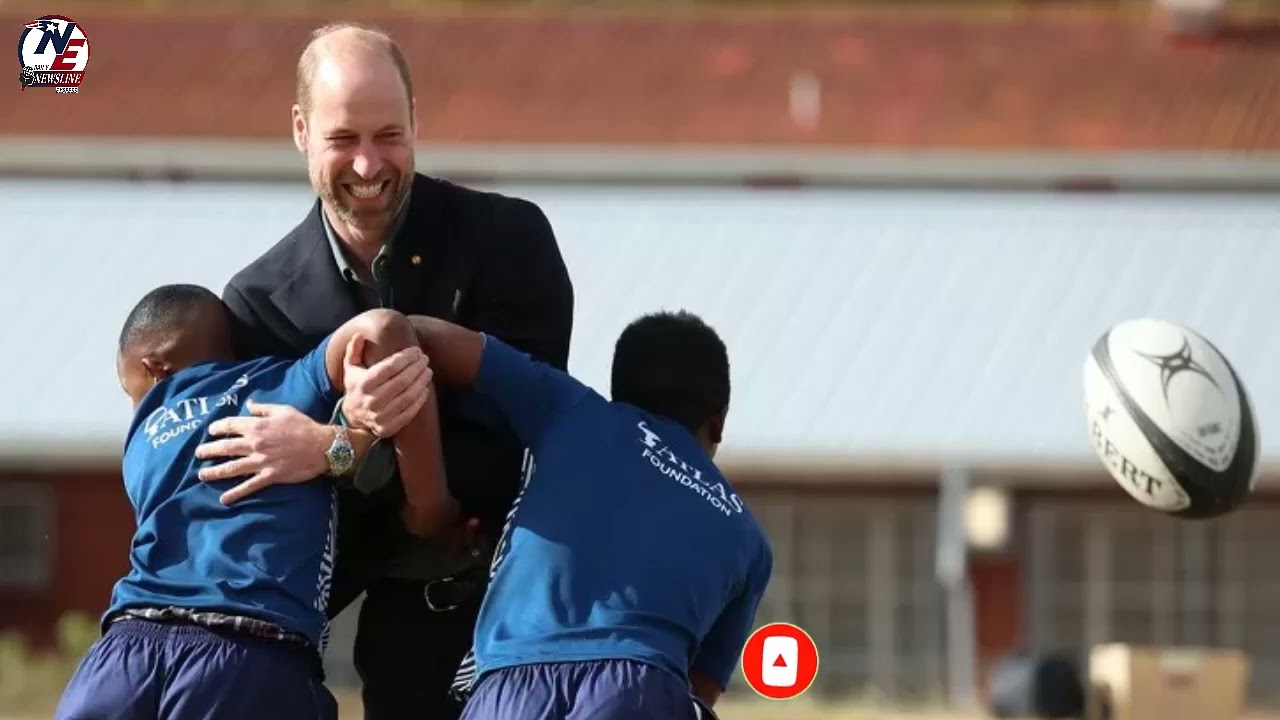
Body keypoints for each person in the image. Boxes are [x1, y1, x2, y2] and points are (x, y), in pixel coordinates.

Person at [208, 21, 574, 718]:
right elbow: (278, 505)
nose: (370, 165)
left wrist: (337, 446)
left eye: (389, 135)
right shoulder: (256, 305)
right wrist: (352, 447)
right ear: (299, 130)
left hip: (536, 615)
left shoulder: (511, 240)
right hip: (401, 629)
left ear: (416, 123)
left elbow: (520, 439)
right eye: (344, 139)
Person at [222, 309, 773, 720]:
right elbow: (698, 689)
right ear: (719, 420)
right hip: (641, 688)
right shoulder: (748, 536)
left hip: (509, 688)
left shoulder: (576, 411)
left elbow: (414, 332)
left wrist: (404, 472)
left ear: (618, 391)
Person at [53, 285, 463, 720]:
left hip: (123, 652)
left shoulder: (143, 436)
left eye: (129, 390)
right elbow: (384, 327)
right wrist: (427, 504)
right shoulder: (284, 385)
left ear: (153, 370)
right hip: (248, 653)